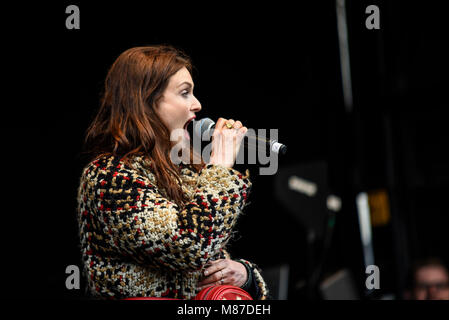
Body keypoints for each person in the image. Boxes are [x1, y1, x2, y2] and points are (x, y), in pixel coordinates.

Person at [77, 45, 269, 300]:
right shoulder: (108, 177)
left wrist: (244, 276)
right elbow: (188, 245)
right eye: (185, 93)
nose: (197, 105)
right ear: (145, 101)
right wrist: (221, 168)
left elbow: (209, 258)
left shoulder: (187, 171)